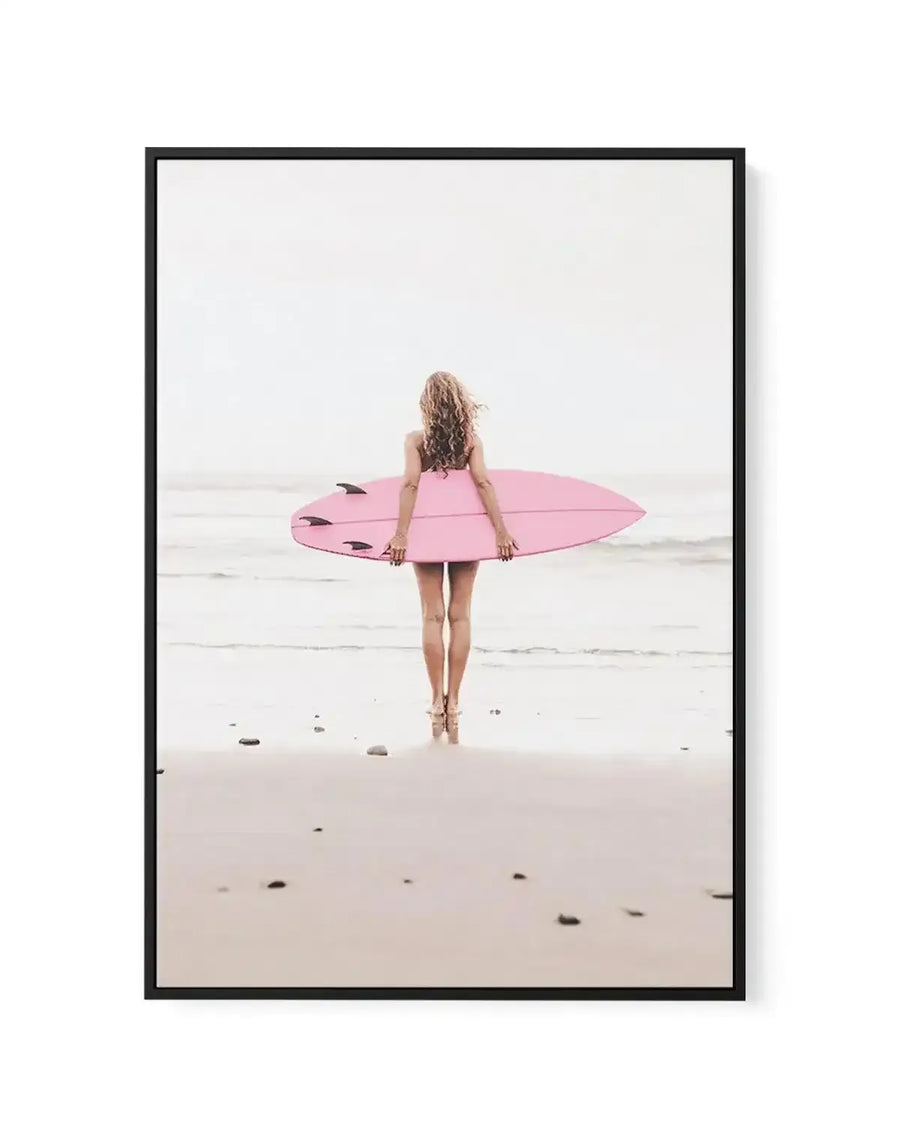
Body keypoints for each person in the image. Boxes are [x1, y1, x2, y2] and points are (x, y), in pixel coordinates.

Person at [384, 371, 517, 744]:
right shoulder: (471, 442)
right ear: (459, 405)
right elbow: (483, 483)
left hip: (427, 535)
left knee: (432, 615)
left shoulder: (416, 442)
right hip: (465, 535)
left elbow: (411, 483)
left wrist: (401, 534)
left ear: (427, 406)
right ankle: (454, 701)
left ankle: (435, 701)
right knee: (460, 616)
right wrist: (500, 531)